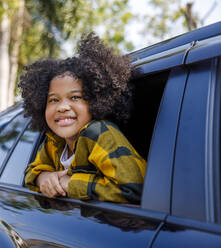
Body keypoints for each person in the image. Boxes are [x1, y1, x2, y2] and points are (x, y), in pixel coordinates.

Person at [18, 33, 147, 203]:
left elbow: (134, 189)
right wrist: (43, 178)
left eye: (75, 97)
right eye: (54, 100)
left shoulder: (100, 133)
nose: (62, 107)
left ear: (95, 100)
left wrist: (68, 183)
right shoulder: (54, 141)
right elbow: (31, 171)